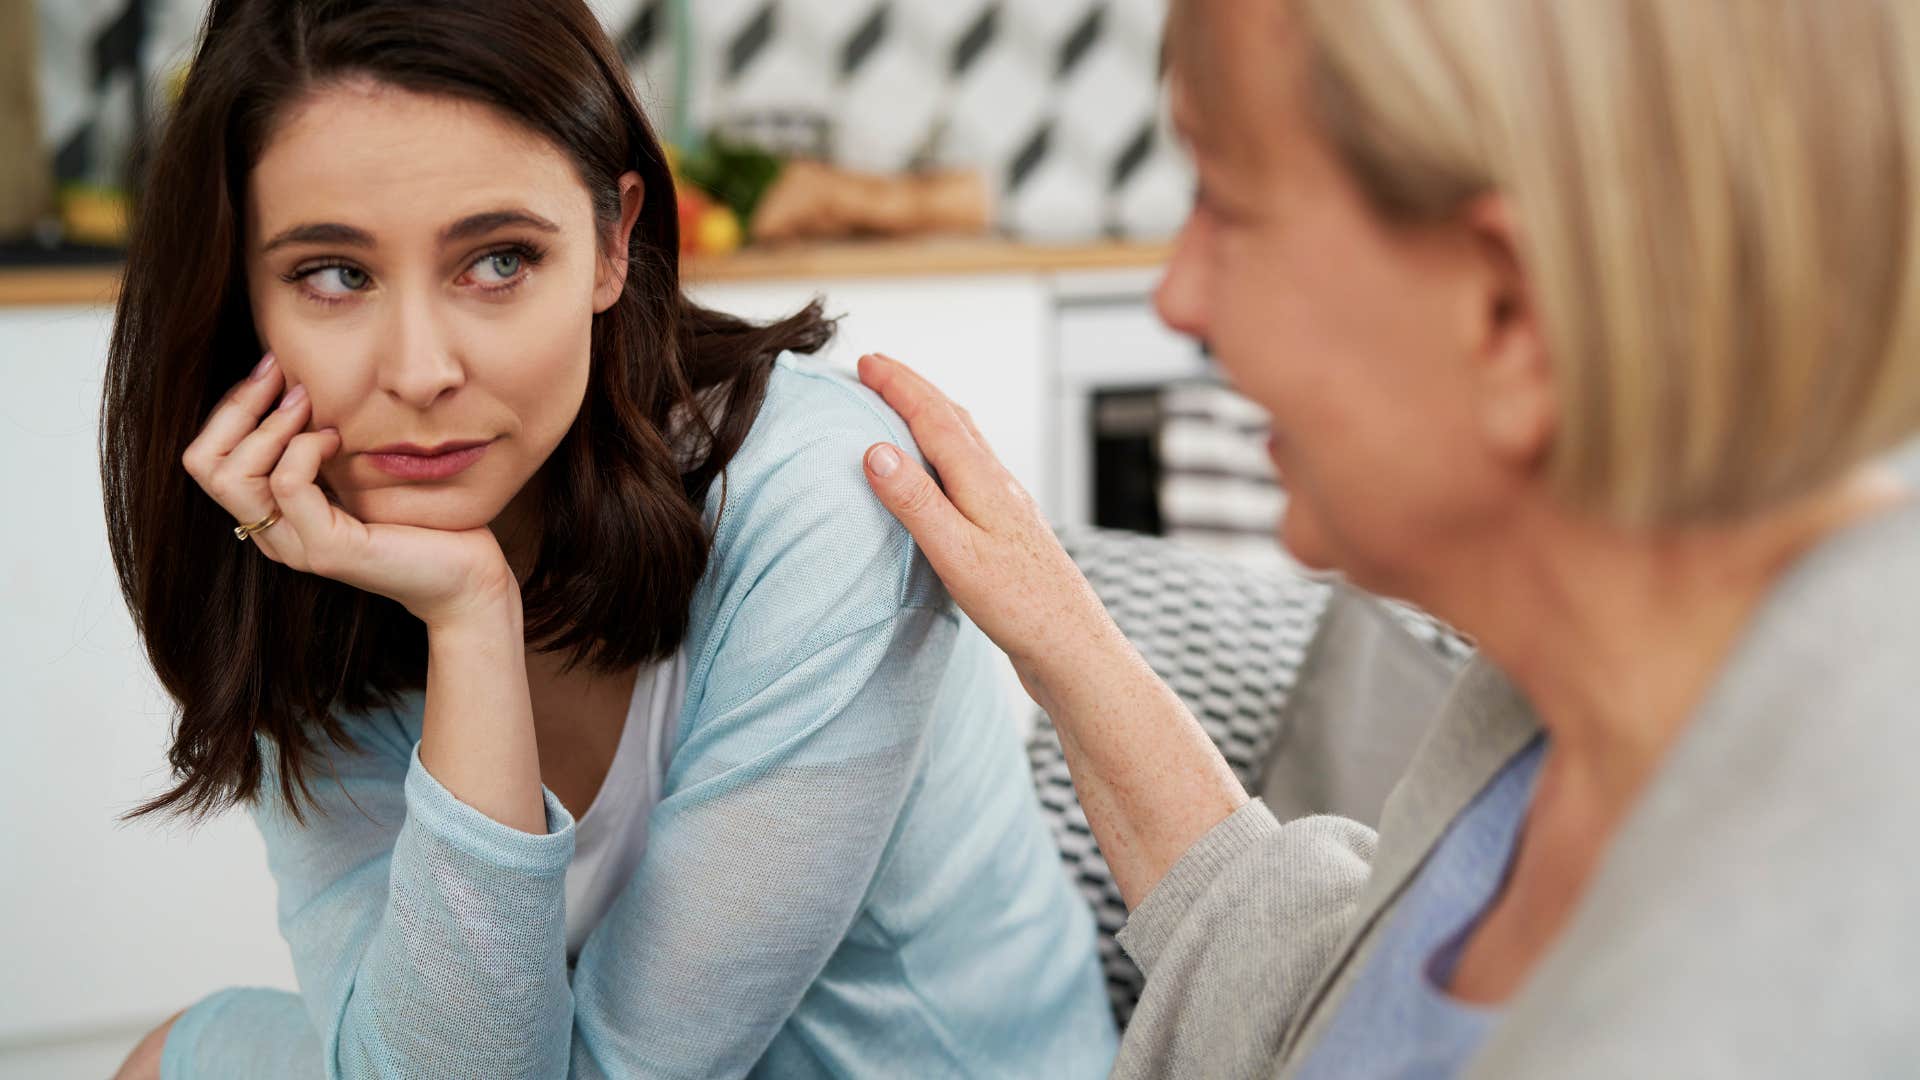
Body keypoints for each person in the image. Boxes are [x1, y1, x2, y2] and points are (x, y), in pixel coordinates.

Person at [854, 0, 1920, 1075]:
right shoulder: (1542, 719)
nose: (1176, 297)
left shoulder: (1837, 950)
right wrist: (1060, 635)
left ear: (1505, 310)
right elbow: (1326, 1005)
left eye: (1227, 203)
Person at [101, 1, 1117, 1077]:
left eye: (496, 261)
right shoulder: (308, 540)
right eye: (336, 275)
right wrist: (468, 616)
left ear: (611, 244)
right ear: (246, 297)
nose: (418, 371)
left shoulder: (821, 502)